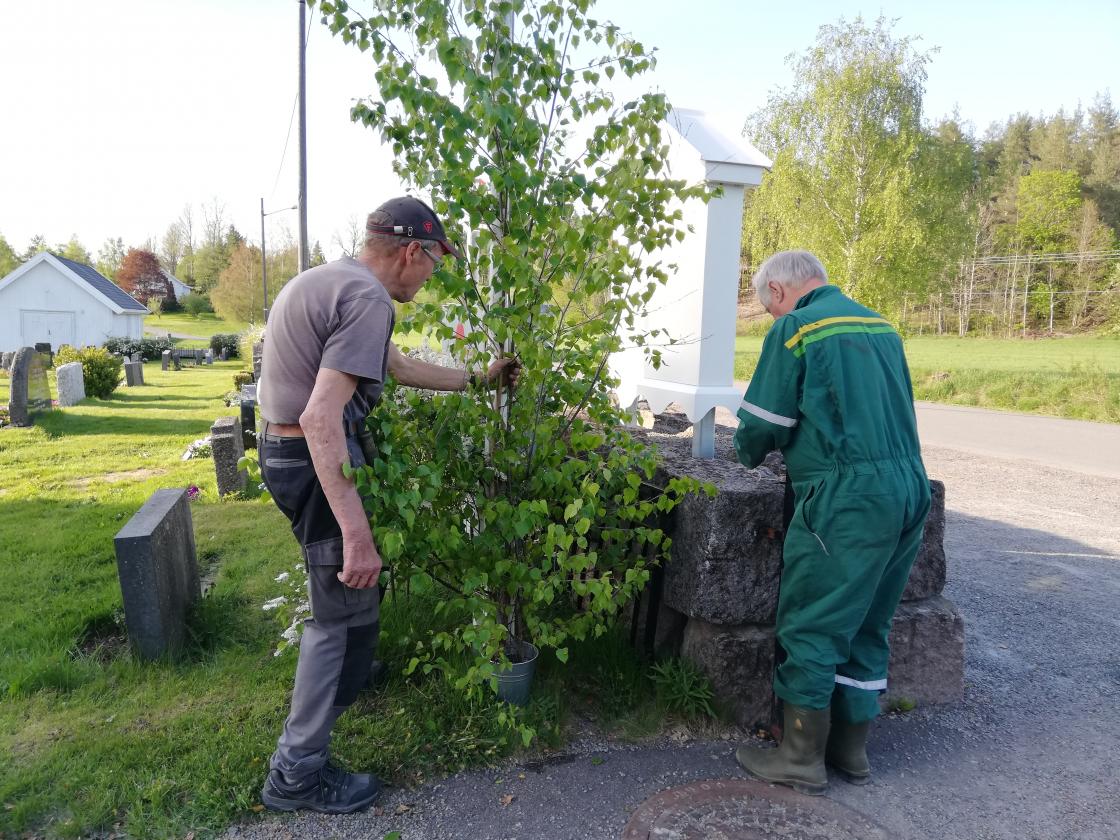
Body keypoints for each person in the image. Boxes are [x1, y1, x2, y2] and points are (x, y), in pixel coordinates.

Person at [256, 196, 518, 814]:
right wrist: (356, 533)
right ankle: (295, 774)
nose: (432, 276)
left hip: (293, 455)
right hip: (315, 460)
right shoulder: (368, 298)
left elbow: (396, 368)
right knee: (336, 616)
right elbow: (320, 418)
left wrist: (478, 378)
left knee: (354, 608)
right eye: (434, 263)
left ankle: (337, 706)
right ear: (411, 251)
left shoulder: (335, 281)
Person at [732, 250, 930, 795]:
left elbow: (762, 423)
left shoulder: (797, 328)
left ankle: (799, 756)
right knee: (868, 621)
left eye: (767, 308)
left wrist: (744, 452)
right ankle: (851, 749)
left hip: (847, 497)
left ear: (776, 291)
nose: (772, 316)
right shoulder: (880, 324)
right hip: (909, 487)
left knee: (813, 622)